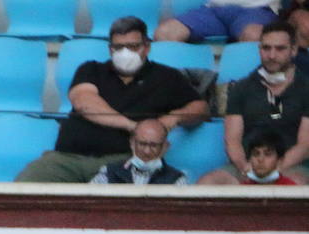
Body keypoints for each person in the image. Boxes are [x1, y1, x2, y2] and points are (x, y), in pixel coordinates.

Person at [16, 16, 207, 183]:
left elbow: (200, 107)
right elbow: (84, 102)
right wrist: (132, 126)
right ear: (110, 49)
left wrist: (170, 120)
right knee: (24, 188)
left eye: (133, 46)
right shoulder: (91, 69)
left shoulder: (166, 77)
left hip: (123, 162)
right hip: (68, 159)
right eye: (118, 47)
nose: (125, 53)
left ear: (147, 47)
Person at [198, 21, 308, 184]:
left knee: (294, 188)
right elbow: (232, 140)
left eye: (280, 49)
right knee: (208, 182)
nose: (271, 55)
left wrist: (275, 170)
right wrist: (247, 169)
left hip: (292, 166)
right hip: (247, 166)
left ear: (293, 50)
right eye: (266, 48)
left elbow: (305, 145)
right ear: (259, 49)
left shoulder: (306, 89)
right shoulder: (242, 88)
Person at [89, 118, 188, 184]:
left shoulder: (176, 179)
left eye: (154, 145)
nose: (147, 151)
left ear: (165, 147)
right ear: (132, 143)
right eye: (142, 144)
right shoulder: (109, 172)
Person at [154, 0, 279, 45]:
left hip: (257, 10)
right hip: (213, 9)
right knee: (164, 33)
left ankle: (241, 92)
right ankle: (189, 90)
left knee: (254, 36)